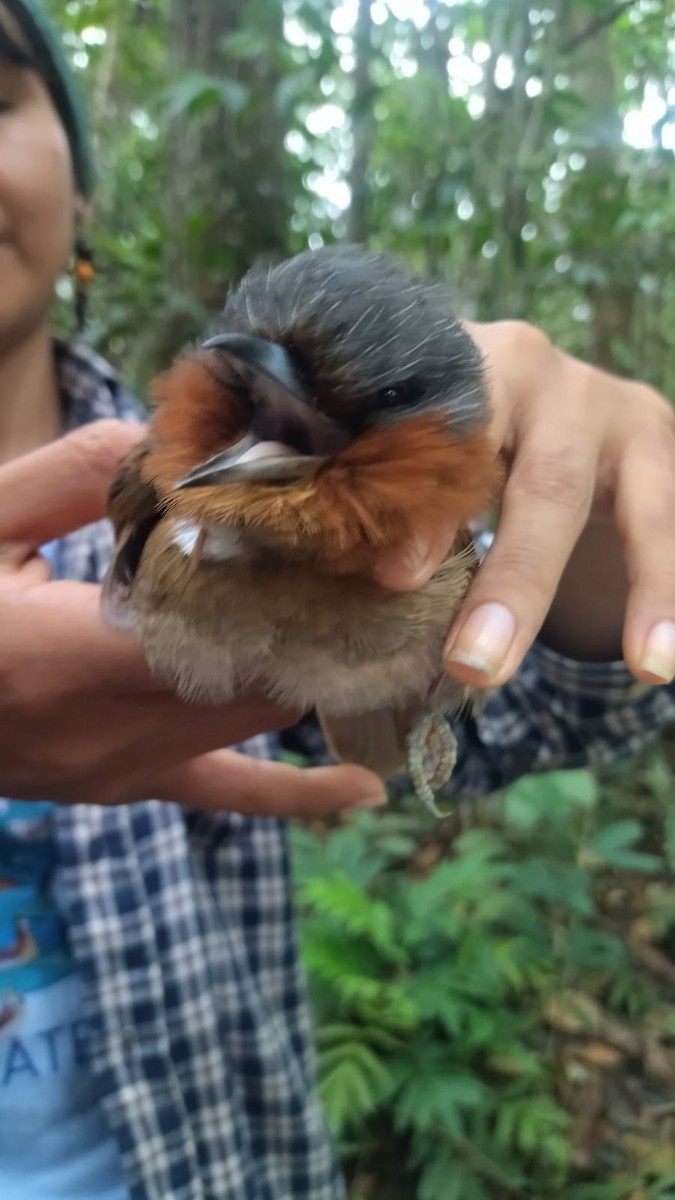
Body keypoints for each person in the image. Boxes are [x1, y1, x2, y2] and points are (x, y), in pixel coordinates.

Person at [0, 2, 673, 1199]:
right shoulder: (146, 480)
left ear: (84, 187)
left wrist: (596, 525)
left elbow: (573, 713)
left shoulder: (378, 537)